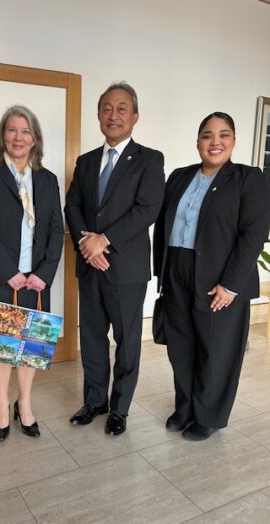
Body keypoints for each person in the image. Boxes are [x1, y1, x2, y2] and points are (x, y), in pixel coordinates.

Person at [153, 112, 270, 441]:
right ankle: (186, 407)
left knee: (216, 350)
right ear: (198, 142)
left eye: (223, 134)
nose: (215, 141)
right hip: (177, 269)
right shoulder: (180, 177)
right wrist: (163, 273)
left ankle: (209, 415)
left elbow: (254, 234)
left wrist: (231, 284)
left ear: (234, 141)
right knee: (181, 346)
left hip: (220, 276)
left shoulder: (248, 178)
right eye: (207, 135)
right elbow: (162, 223)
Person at [65, 82, 165, 436]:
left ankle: (119, 409)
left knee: (127, 342)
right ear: (98, 116)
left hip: (126, 268)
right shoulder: (86, 161)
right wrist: (86, 244)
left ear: (135, 116)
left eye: (122, 108)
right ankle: (95, 401)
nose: (114, 115)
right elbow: (73, 205)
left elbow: (148, 208)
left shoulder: (150, 159)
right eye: (107, 108)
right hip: (90, 265)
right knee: (92, 338)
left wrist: (104, 241)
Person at [0, 105, 64, 442]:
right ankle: (1, 405)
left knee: (31, 347)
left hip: (36, 279)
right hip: (0, 276)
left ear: (35, 139)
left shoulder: (48, 180)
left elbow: (56, 230)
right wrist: (7, 270)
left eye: (26, 131)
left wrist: (45, 273)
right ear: (3, 136)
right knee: (2, 346)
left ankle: (24, 403)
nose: (18, 137)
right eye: (12, 130)